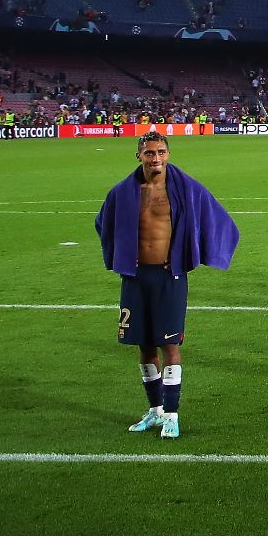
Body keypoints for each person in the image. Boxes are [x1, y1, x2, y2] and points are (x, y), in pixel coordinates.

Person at [95, 132, 239, 440]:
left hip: (168, 276)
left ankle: (172, 414)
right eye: (149, 153)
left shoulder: (186, 189)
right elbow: (102, 222)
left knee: (170, 346)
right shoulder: (122, 192)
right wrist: (117, 255)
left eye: (161, 152)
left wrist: (201, 252)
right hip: (134, 277)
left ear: (168, 154)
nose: (155, 158)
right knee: (144, 345)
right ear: (139, 156)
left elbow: (217, 217)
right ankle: (155, 410)